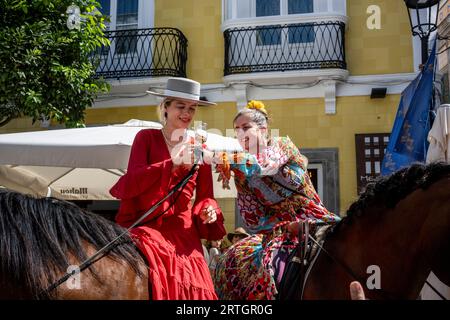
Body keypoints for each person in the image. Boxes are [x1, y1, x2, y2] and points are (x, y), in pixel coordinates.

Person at [204, 100, 341, 300]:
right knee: (262, 270)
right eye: (236, 130)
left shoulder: (282, 145)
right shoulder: (242, 172)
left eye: (245, 127)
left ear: (263, 129)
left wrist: (225, 159)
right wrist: (282, 227)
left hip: (315, 221)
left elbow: (264, 165)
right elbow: (253, 220)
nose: (240, 134)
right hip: (280, 232)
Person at [109, 77, 226, 300]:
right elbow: (132, 180)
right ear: (165, 107)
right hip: (147, 225)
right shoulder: (146, 138)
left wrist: (208, 209)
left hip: (184, 232)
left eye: (192, 108)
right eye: (180, 106)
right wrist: (171, 164)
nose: (187, 113)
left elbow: (205, 197)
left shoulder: (199, 148)